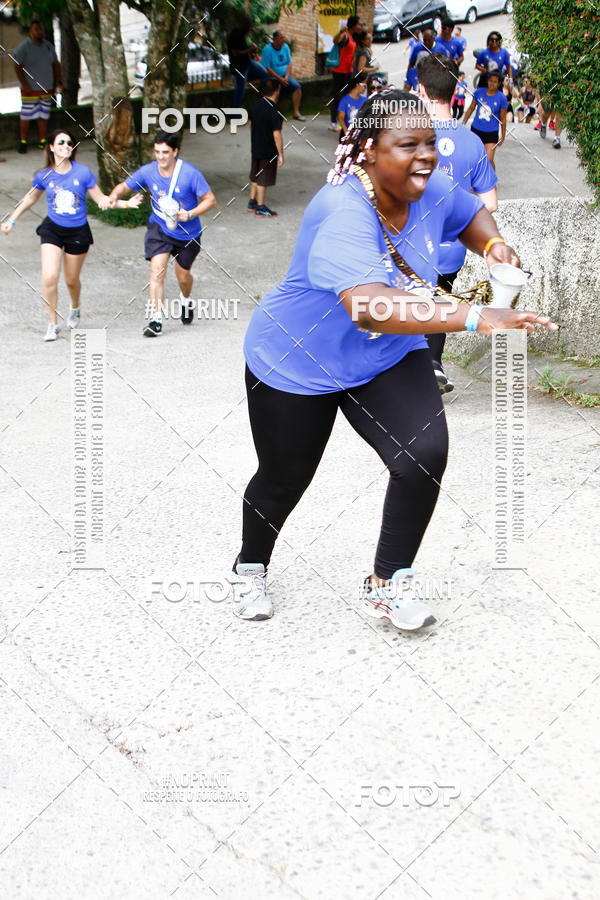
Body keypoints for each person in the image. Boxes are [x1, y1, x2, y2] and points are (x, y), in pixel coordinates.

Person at [231, 89, 557, 626]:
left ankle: (389, 581)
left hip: (386, 352)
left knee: (424, 452)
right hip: (298, 359)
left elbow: (469, 212)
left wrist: (493, 246)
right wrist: (477, 318)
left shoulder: (427, 187)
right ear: (367, 150)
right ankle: (250, 567)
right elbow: (369, 306)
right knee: (284, 478)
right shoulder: (341, 207)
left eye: (430, 142)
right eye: (408, 144)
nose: (426, 155)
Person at [1, 129, 140, 340]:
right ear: (51, 147)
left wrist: (126, 204)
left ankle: (75, 307)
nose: (66, 146)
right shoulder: (43, 175)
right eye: (61, 142)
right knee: (49, 278)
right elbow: (30, 199)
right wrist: (11, 219)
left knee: (71, 280)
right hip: (52, 230)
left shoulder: (83, 173)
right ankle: (52, 323)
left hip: (78, 231)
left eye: (69, 143)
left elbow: (101, 199)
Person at [418, 54, 498, 393]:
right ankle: (433, 365)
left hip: (411, 244)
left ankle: (410, 370)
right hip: (451, 250)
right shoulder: (473, 142)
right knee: (441, 297)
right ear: (454, 93)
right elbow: (490, 202)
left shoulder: (408, 134)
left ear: (420, 91)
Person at [108, 130, 216, 337]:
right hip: (159, 228)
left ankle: (186, 300)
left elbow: (210, 200)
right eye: (157, 152)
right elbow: (123, 187)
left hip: (187, 233)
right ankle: (156, 320)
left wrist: (190, 214)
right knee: (156, 273)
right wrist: (114, 196)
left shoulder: (190, 174)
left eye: (165, 152)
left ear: (175, 151)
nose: (160, 157)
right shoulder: (148, 171)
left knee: (182, 276)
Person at [13, 18, 62, 153]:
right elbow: (17, 66)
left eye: (41, 29)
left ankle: (42, 140)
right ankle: (23, 141)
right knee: (26, 115)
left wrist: (59, 82)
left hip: (46, 87)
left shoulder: (48, 46)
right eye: (37, 29)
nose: (40, 32)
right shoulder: (23, 48)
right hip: (29, 89)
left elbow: (55, 64)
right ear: (31, 31)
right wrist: (25, 85)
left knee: (43, 115)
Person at [247, 79, 284, 217]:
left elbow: (251, 123)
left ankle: (252, 201)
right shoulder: (274, 110)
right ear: (276, 91)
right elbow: (277, 134)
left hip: (255, 147)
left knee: (254, 175)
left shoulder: (256, 105)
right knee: (263, 178)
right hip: (268, 150)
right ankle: (260, 207)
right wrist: (280, 153)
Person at [463, 71, 507, 169]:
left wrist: (503, 136)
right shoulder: (479, 92)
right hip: (476, 130)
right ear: (487, 81)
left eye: (495, 82)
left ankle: (492, 182)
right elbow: (471, 108)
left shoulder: (502, 98)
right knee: (474, 158)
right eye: (490, 81)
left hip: (491, 133)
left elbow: (503, 119)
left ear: (499, 83)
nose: (492, 84)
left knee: (489, 159)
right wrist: (463, 122)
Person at [260, 31, 304, 121]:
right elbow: (267, 68)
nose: (283, 39)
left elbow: (289, 63)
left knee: (297, 87)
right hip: (271, 76)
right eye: (281, 38)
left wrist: (287, 76)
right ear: (275, 39)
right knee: (275, 90)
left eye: (284, 37)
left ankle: (296, 112)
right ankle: (272, 114)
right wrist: (279, 79)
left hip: (285, 76)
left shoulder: (285, 47)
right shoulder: (267, 49)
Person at [227, 15, 268, 110]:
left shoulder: (242, 35)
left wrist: (251, 48)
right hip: (238, 67)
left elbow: (243, 49)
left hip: (248, 63)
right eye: (248, 26)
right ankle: (233, 115)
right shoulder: (233, 35)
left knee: (264, 73)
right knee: (240, 91)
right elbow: (235, 53)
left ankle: (262, 102)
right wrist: (250, 49)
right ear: (242, 25)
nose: (249, 29)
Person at [329, 15, 362, 130]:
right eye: (358, 24)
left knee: (345, 95)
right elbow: (335, 40)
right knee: (338, 95)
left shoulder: (353, 36)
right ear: (353, 25)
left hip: (348, 71)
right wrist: (341, 31)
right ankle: (334, 122)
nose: (359, 26)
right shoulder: (345, 35)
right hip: (340, 71)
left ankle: (343, 118)